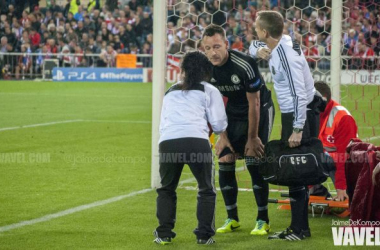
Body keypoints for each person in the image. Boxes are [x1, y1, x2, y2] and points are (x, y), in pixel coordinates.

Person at [250, 10, 319, 240]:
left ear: (265, 31)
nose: (254, 31)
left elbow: (298, 93)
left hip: (300, 115)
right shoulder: (282, 42)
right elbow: (252, 46)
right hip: (299, 113)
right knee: (296, 170)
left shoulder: (285, 55)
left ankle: (299, 229)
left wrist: (297, 128)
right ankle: (299, 227)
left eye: (257, 28)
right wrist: (255, 50)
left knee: (295, 170)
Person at [202, 24, 275, 235]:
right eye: (207, 48)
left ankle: (263, 219)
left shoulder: (245, 64)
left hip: (260, 107)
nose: (212, 53)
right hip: (232, 110)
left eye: (216, 46)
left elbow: (255, 103)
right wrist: (221, 136)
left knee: (254, 158)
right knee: (225, 157)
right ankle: (232, 218)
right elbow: (211, 106)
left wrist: (252, 138)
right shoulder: (206, 68)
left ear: (226, 44)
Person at [153, 51, 231, 245]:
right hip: (196, 142)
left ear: (184, 70)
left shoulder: (171, 90)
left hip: (168, 142)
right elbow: (219, 124)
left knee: (166, 189)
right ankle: (204, 236)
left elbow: (163, 122)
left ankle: (163, 234)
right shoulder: (209, 90)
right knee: (206, 188)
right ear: (206, 70)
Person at [314, 81, 358, 201]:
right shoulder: (308, 113)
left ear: (321, 99)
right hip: (324, 158)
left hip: (348, 161)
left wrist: (341, 187)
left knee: (353, 201)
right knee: (300, 157)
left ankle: (348, 193)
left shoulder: (342, 118)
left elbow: (344, 156)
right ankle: (314, 192)